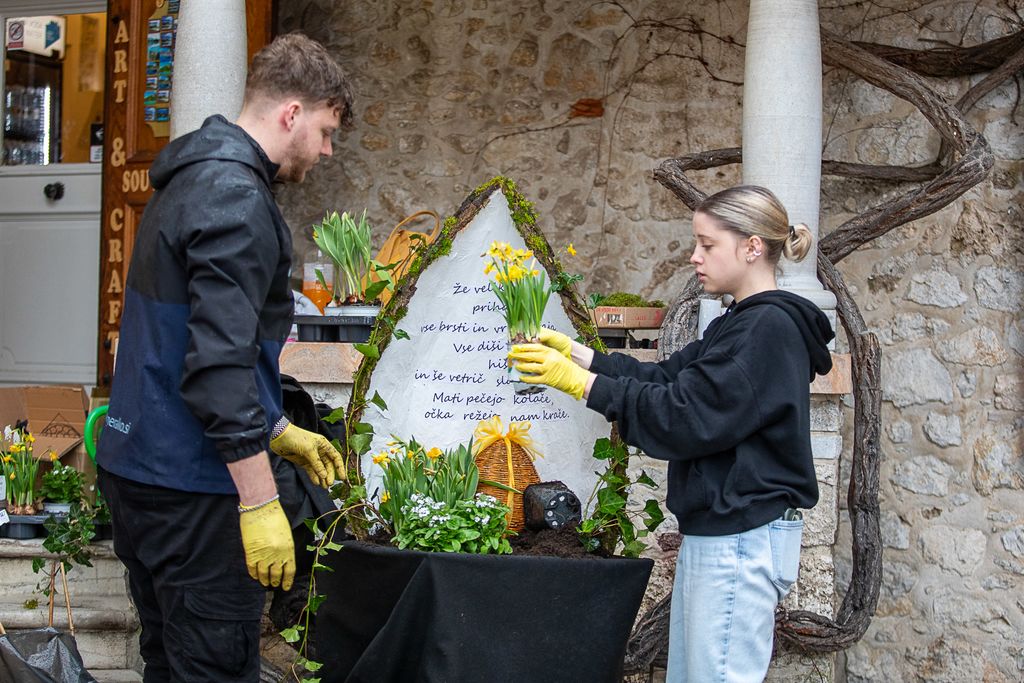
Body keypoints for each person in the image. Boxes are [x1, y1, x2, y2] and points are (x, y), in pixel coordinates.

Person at [96, 33, 353, 683]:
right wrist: (260, 500)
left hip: (136, 471)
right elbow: (217, 366)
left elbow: (187, 337)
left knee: (168, 662)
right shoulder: (237, 200)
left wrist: (277, 427)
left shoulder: (187, 178)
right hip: (193, 489)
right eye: (325, 130)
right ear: (291, 113)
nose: (325, 151)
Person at [509, 185, 835, 682]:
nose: (694, 256)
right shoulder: (741, 323)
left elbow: (689, 414)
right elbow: (667, 379)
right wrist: (580, 356)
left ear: (751, 247)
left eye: (707, 244)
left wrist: (581, 385)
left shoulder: (768, 329)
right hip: (727, 535)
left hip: (741, 539)